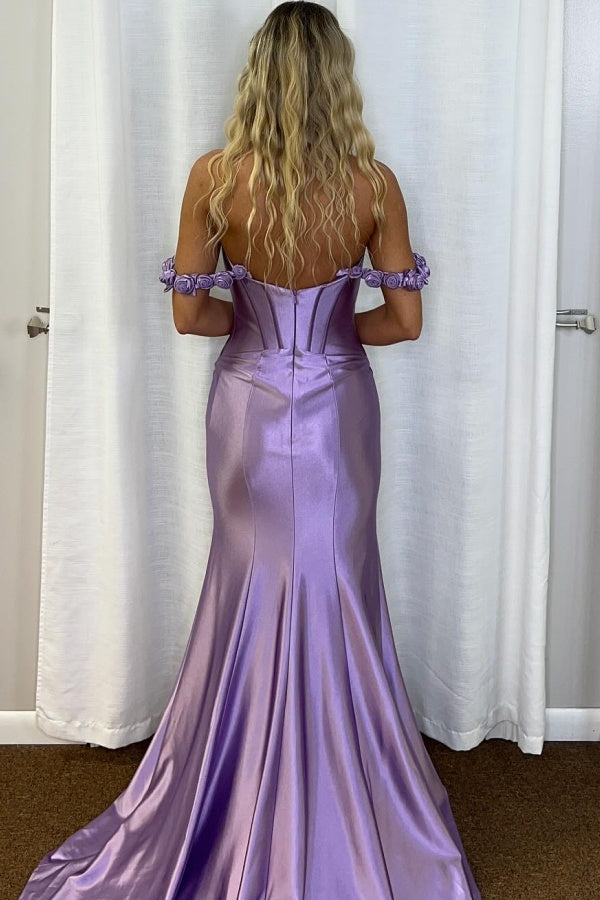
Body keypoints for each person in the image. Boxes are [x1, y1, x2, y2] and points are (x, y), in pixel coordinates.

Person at [20, 3, 481, 897]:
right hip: (340, 409)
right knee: (339, 581)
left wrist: (263, 334)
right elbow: (405, 320)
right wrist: (329, 336)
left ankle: (231, 787)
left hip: (247, 410)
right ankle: (349, 791)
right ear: (338, 79)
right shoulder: (373, 185)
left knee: (247, 582)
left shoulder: (215, 177)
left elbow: (190, 313)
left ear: (257, 75)